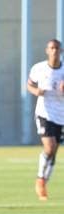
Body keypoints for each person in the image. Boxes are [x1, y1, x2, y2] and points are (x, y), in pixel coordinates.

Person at [27, 39, 64, 201]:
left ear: (61, 51)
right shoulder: (39, 68)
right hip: (44, 113)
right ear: (47, 50)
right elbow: (29, 85)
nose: (54, 51)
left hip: (61, 115)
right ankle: (40, 180)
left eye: (57, 48)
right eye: (51, 48)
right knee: (50, 147)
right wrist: (36, 91)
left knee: (54, 151)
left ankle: (45, 180)